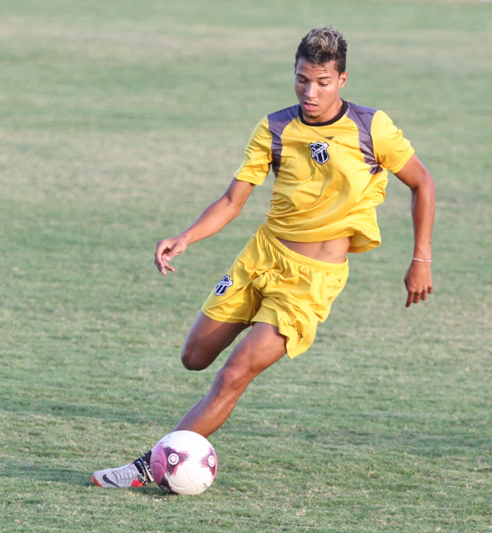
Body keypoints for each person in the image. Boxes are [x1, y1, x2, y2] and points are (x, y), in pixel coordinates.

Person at [92, 25, 435, 489]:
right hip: (261, 258)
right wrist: (187, 237)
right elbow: (233, 200)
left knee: (235, 373)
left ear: (343, 80)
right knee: (194, 358)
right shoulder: (274, 128)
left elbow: (423, 183)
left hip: (309, 282)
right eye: (301, 80)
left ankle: (151, 465)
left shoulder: (372, 128)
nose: (310, 92)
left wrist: (421, 259)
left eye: (322, 82)